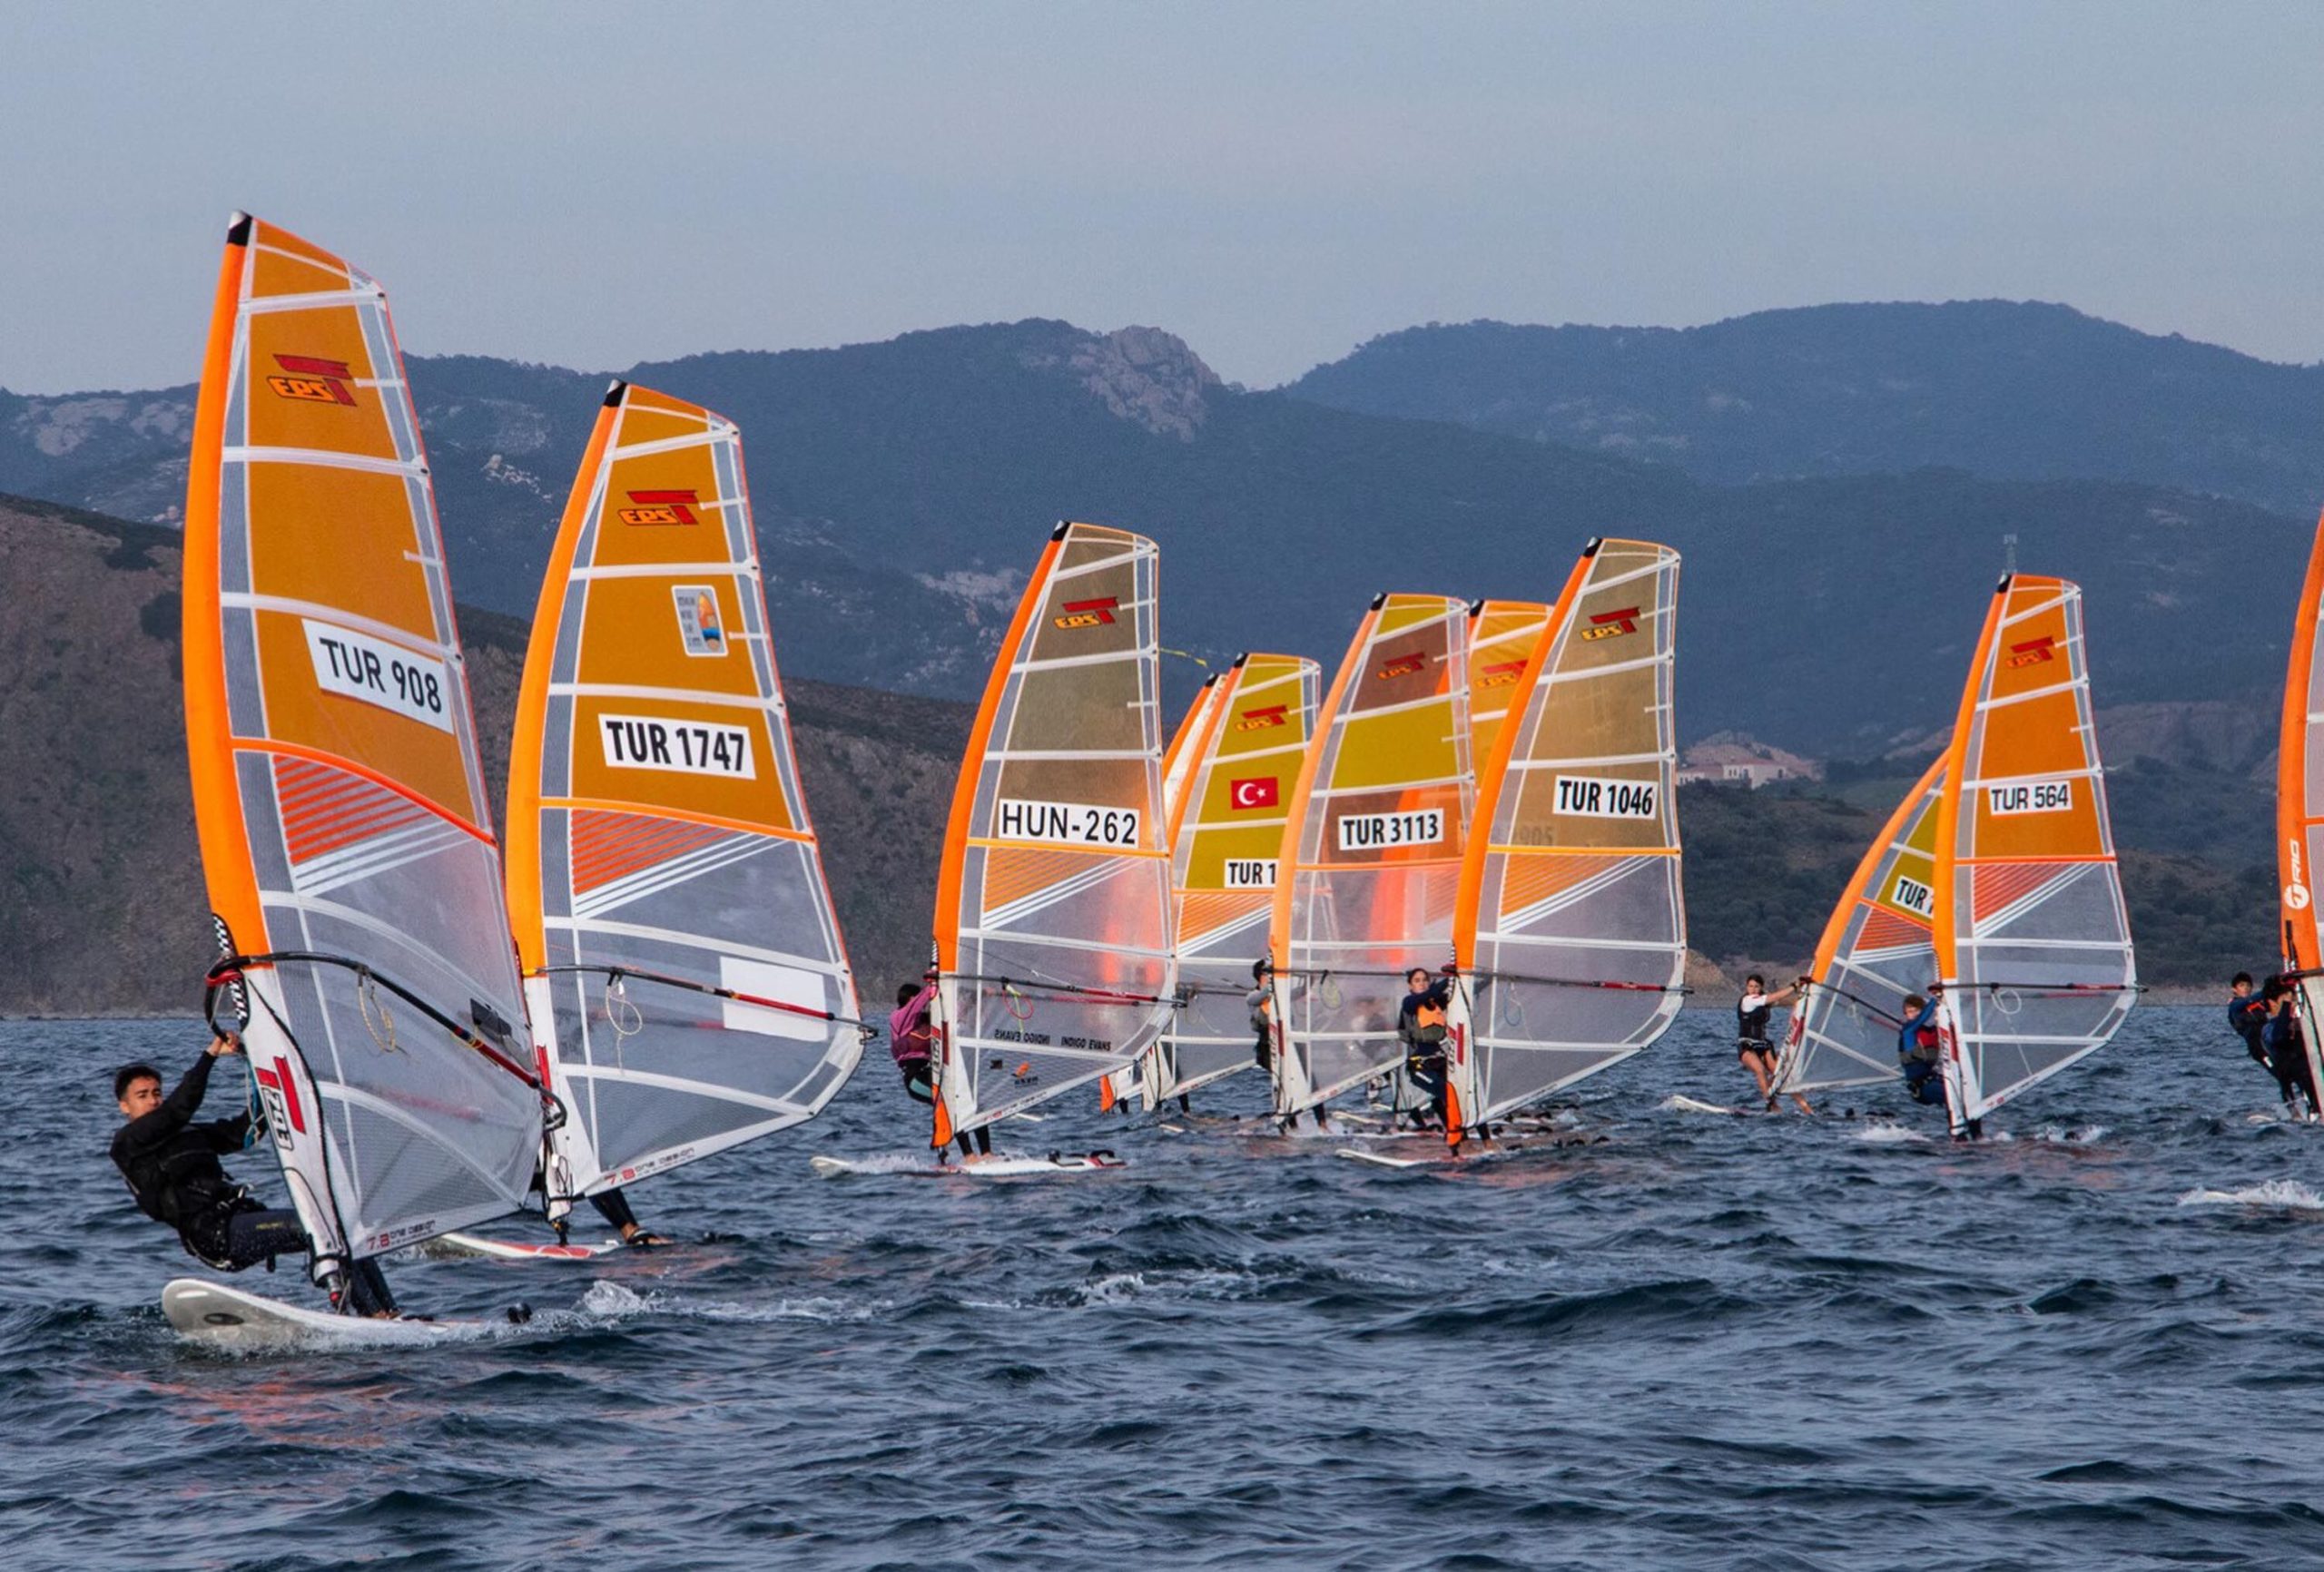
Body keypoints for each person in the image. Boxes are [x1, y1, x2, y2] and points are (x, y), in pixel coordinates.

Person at [111, 1032, 395, 1317]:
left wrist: (266, 1077)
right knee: (316, 1229)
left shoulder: (189, 1133)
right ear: (124, 1106)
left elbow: (247, 1131)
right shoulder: (128, 1143)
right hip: (214, 1237)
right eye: (142, 1096)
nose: (153, 1100)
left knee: (336, 1227)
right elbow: (179, 1108)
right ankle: (371, 1313)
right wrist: (210, 1055)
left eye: (157, 1093)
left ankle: (389, 1313)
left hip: (240, 1219)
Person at [895, 976, 991, 1159]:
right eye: (920, 1001)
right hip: (916, 1079)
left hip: (934, 1074)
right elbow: (918, 1003)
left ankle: (987, 1154)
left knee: (973, 1102)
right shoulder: (899, 1018)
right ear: (911, 1000)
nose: (925, 1005)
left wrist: (977, 996)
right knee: (951, 1104)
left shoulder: (927, 1020)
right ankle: (968, 1156)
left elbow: (957, 1012)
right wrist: (937, 983)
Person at [1737, 974, 1812, 1113]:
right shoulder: (1748, 1000)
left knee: (1782, 1074)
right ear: (1747, 987)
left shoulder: (1763, 1002)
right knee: (1760, 1070)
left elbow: (1782, 1001)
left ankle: (1805, 1107)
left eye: (1756, 987)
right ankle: (1771, 1105)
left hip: (1763, 1046)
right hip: (1747, 1047)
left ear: (1761, 988)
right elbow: (1773, 997)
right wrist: (1794, 986)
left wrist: (1805, 997)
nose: (1753, 989)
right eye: (1750, 986)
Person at [1396, 968, 1452, 1134]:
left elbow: (1458, 995)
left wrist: (1475, 981)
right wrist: (1451, 977)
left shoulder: (1437, 1002)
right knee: (1445, 1091)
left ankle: (1470, 1137)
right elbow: (1431, 993)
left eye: (1425, 980)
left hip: (1439, 1058)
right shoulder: (1409, 1002)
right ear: (1410, 986)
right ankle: (1454, 1134)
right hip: (1418, 1064)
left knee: (1457, 1092)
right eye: (1417, 981)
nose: (1422, 983)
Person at [2226, 973, 2288, 1106]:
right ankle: (2291, 1106)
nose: (2246, 988)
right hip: (2258, 1048)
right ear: (2234, 989)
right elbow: (2250, 1000)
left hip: (2269, 1042)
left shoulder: (2258, 1004)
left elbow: (2273, 1002)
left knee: (2288, 1071)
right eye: (2242, 985)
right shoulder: (2235, 1006)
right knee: (2281, 1075)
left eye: (2248, 985)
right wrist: (2266, 990)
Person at [2260, 978, 2319, 1116]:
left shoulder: (2298, 1023)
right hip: (2294, 1076)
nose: (2292, 1004)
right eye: (2287, 1001)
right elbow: (2279, 1037)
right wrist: (2286, 1006)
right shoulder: (2269, 1029)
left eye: (2293, 1001)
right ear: (2272, 1003)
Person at [1896, 989, 1947, 1108]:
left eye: (1917, 1010)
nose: (1914, 1014)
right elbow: (1922, 1018)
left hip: (1934, 1080)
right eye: (1910, 1011)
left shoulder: (1932, 1031)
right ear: (1905, 1014)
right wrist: (1935, 998)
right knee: (1951, 1097)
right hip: (1923, 1088)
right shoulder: (1908, 1031)